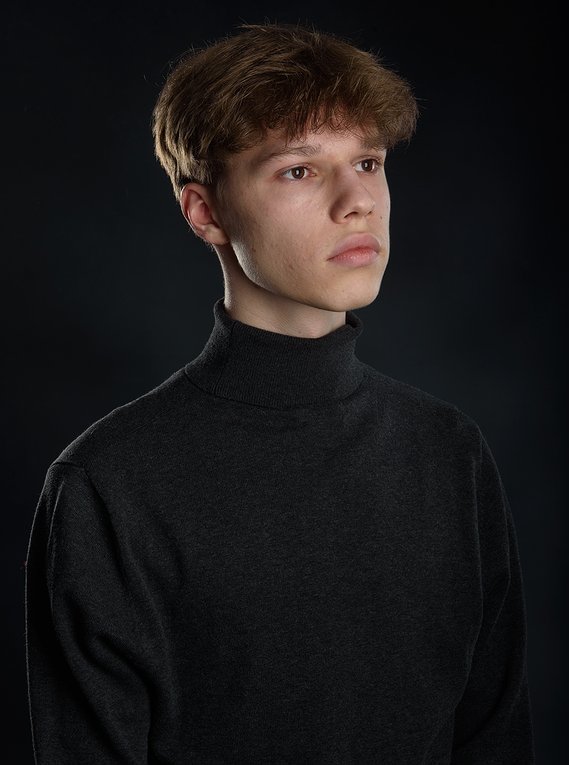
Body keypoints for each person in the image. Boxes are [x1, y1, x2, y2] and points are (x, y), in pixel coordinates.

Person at [25, 22, 535, 763]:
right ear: (205, 212)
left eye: (368, 161)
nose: (357, 201)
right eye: (299, 170)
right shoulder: (109, 485)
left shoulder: (449, 452)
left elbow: (496, 739)